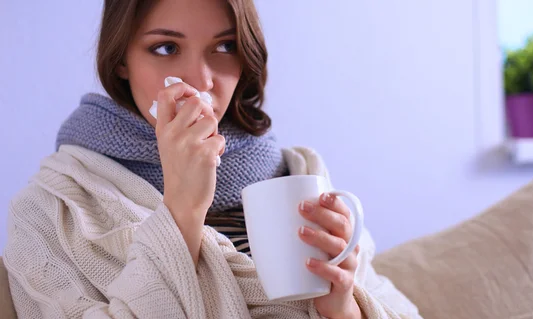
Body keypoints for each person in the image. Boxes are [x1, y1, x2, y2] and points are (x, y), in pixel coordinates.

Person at [3, 0, 422, 318]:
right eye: (166, 47)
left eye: (224, 46)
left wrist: (343, 307)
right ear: (121, 61)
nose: (201, 81)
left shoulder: (296, 174)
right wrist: (182, 208)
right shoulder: (52, 208)